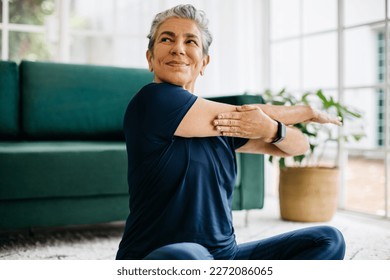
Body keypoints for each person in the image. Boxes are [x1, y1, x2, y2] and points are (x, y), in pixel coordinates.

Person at [116, 4, 345, 260]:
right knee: (190, 257)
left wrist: (271, 129)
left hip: (225, 257)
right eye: (166, 39)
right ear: (150, 58)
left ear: (204, 62)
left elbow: (298, 146)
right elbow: (241, 112)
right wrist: (307, 112)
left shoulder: (222, 125)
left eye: (190, 41)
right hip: (162, 257)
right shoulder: (152, 101)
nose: (178, 48)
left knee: (327, 240)